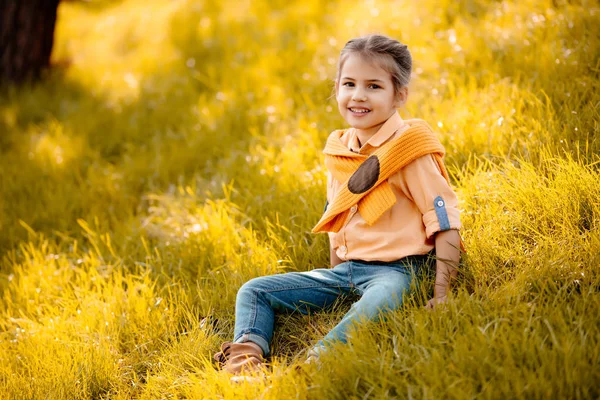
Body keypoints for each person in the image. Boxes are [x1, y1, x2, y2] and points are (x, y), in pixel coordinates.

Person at [214, 34, 462, 377]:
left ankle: (316, 362)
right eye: (349, 84)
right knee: (254, 290)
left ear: (399, 95)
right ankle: (245, 362)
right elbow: (338, 213)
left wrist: (443, 291)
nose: (358, 95)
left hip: (400, 269)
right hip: (349, 271)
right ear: (337, 88)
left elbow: (445, 220)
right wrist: (333, 279)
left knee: (381, 297)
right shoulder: (339, 149)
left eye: (374, 86)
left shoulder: (410, 149)